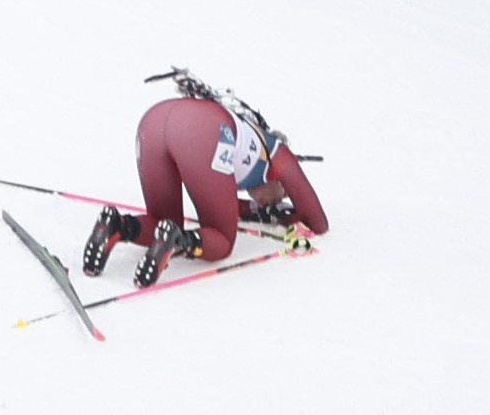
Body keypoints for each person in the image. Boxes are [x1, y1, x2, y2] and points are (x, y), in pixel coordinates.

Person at [85, 69, 328, 281]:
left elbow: (234, 207)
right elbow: (319, 223)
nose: (278, 199)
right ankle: (179, 243)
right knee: (222, 240)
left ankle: (118, 226)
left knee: (162, 221)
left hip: (155, 121)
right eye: (283, 192)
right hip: (203, 130)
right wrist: (289, 214)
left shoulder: (245, 157)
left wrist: (270, 213)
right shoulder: (279, 155)